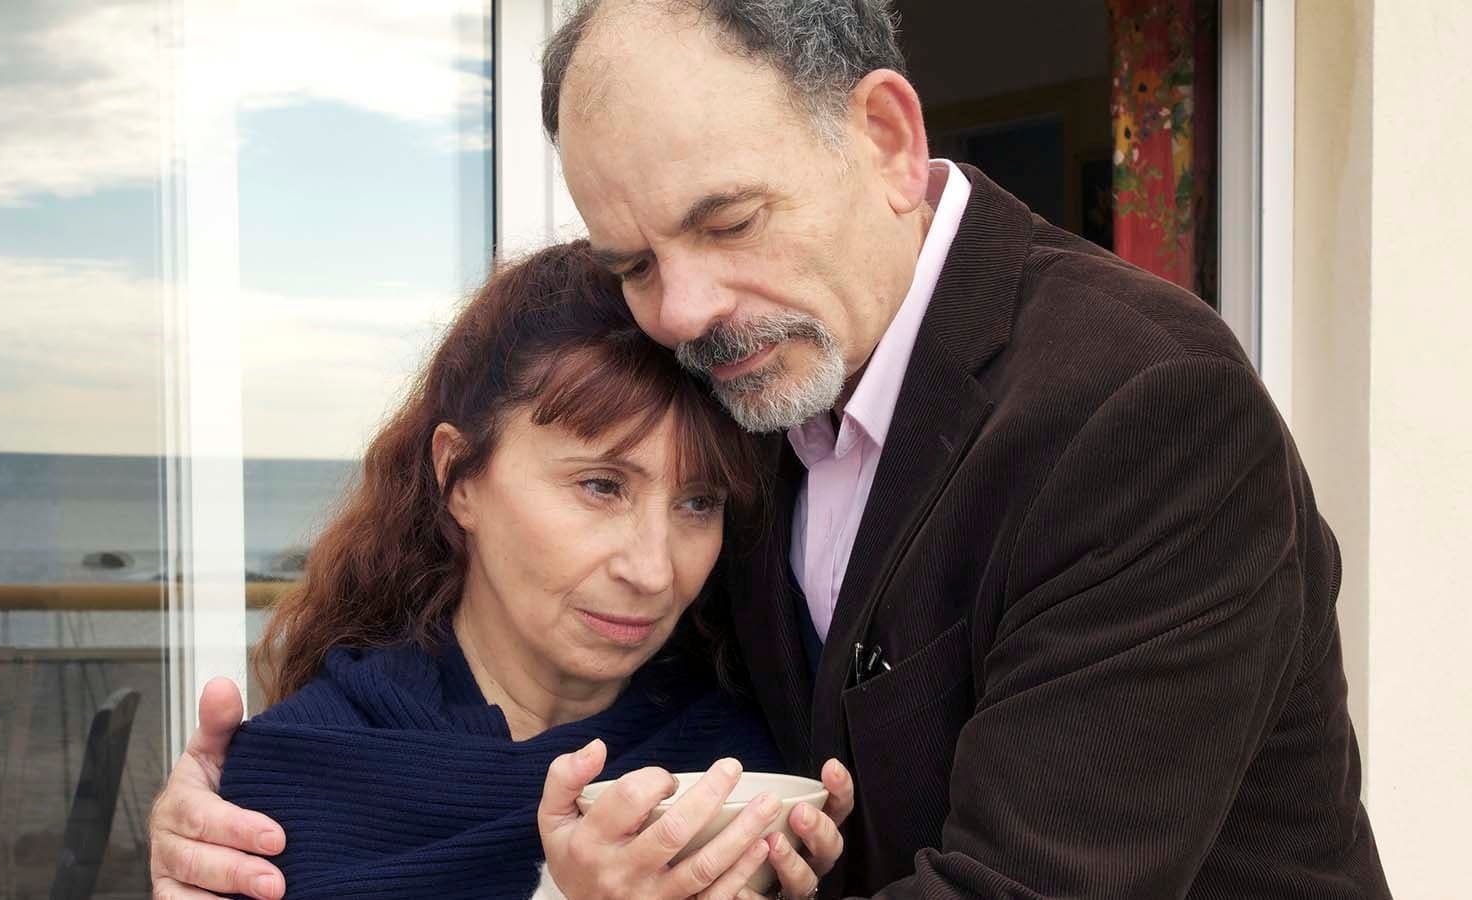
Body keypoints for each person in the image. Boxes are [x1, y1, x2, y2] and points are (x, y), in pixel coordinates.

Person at [151, 1, 1391, 898]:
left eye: (726, 220)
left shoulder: (1141, 404)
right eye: (634, 262)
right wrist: (266, 818)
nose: (681, 311)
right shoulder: (760, 394)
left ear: (889, 140)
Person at [162, 243, 852, 900]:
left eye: (698, 503)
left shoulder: (744, 769)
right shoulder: (294, 784)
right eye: (601, 487)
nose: (652, 571)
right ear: (459, 477)